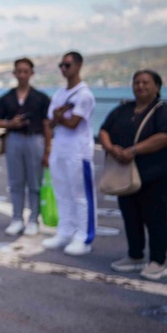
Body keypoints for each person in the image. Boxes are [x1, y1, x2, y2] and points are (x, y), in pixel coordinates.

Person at [99, 70, 167, 280]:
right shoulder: (123, 109)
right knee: (130, 215)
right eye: (137, 82)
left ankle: (157, 261)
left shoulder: (164, 111)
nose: (140, 86)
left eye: (146, 82)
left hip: (154, 174)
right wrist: (111, 148)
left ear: (157, 87)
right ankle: (135, 255)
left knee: (155, 218)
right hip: (125, 173)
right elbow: (104, 130)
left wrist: (134, 150)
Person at [43, 51, 97, 256]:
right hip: (60, 149)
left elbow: (74, 123)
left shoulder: (84, 94)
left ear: (78, 66)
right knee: (62, 194)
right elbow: (50, 122)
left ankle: (84, 237)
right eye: (62, 65)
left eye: (68, 65)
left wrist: (59, 117)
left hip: (78, 152)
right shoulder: (59, 94)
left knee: (81, 196)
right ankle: (65, 232)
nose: (64, 69)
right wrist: (58, 118)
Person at [0, 58, 52, 236]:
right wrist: (11, 123)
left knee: (35, 182)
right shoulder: (6, 98)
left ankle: (34, 219)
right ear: (14, 73)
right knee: (15, 182)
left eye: (25, 71)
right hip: (14, 139)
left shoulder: (41, 98)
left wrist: (48, 149)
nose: (22, 75)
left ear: (31, 73)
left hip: (35, 139)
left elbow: (47, 125)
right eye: (19, 71)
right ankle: (17, 219)